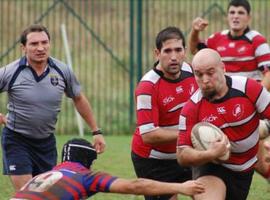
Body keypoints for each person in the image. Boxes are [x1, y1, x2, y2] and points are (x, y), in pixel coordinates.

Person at [0, 24, 106, 191]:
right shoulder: (10, 72)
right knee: (27, 193)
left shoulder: (62, 70)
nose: (40, 48)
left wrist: (96, 131)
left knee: (46, 193)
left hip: (46, 143)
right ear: (23, 48)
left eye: (44, 42)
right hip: (17, 140)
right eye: (34, 44)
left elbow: (78, 98)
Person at [188, 0, 270, 181]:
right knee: (251, 159)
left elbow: (268, 73)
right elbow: (194, 50)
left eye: (241, 13)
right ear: (227, 16)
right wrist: (195, 30)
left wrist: (253, 100)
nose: (235, 16)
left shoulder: (257, 40)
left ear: (249, 17)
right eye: (232, 12)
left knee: (255, 160)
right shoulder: (217, 38)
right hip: (221, 104)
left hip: (248, 108)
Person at [176, 48, 270, 200]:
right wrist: (210, 154)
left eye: (210, 72)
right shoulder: (192, 108)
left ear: (223, 68)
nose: (205, 80)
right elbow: (182, 154)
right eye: (198, 74)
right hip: (210, 167)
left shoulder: (248, 89)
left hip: (244, 169)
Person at [11, 138, 205, 199]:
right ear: (88, 162)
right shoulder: (85, 175)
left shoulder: (46, 174)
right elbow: (135, 186)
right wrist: (180, 188)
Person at [131, 26, 198, 200]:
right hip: (153, 159)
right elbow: (149, 135)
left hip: (185, 153)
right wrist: (192, 133)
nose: (173, 57)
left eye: (178, 50)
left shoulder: (191, 72)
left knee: (208, 194)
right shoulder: (147, 86)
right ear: (157, 53)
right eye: (167, 51)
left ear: (184, 51)